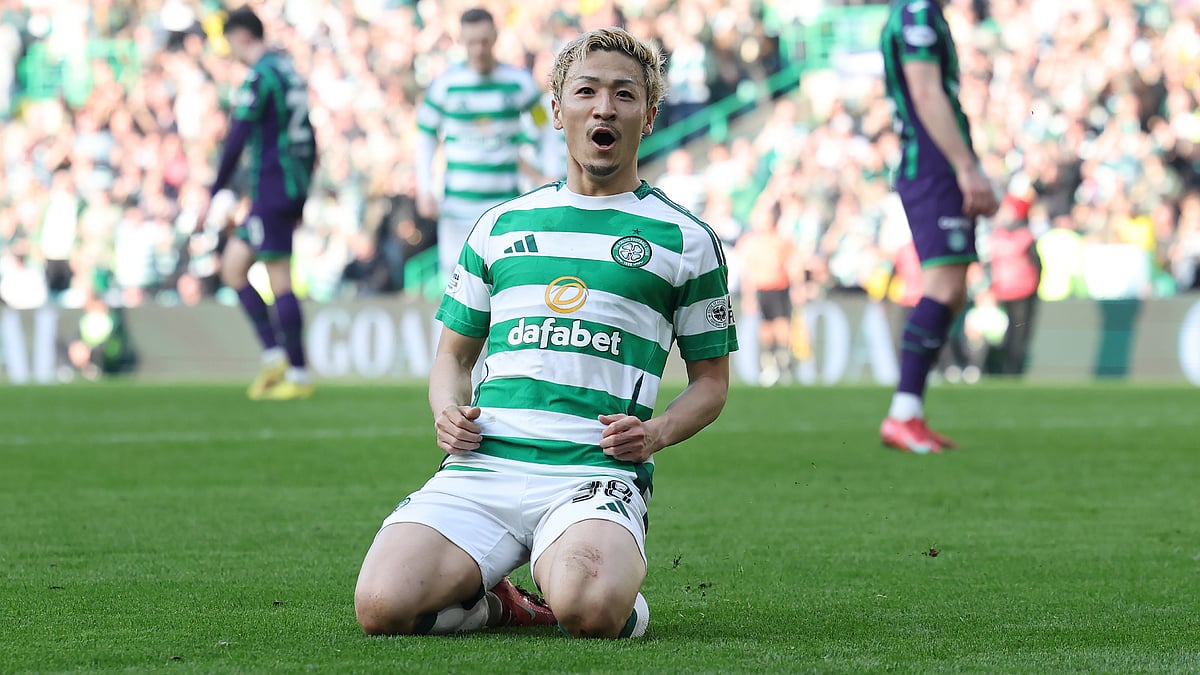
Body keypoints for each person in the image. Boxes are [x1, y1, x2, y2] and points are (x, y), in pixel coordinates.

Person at [354, 27, 737, 639]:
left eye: (624, 94)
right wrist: (445, 411)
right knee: (381, 607)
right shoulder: (500, 226)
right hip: (485, 464)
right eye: (586, 92)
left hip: (595, 475)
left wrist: (657, 432)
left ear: (650, 113)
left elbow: (712, 383)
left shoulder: (685, 240)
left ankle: (601, 595)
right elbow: (452, 358)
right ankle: (499, 605)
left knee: (588, 612)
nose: (604, 107)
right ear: (558, 112)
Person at [878, 0, 1000, 453]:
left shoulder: (918, 13)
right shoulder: (917, 12)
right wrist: (966, 168)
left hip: (934, 161)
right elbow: (926, 92)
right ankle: (902, 414)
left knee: (954, 289)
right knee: (945, 288)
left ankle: (909, 411)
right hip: (931, 164)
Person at [199, 7, 317, 400]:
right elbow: (310, 137)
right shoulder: (289, 72)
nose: (229, 49)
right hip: (284, 187)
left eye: (229, 41)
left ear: (242, 36)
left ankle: (298, 373)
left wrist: (215, 186)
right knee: (233, 267)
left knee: (279, 276)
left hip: (272, 187)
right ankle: (274, 355)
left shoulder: (262, 75)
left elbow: (238, 134)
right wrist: (302, 191)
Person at [415, 8, 552, 283]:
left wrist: (549, 171)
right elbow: (426, 135)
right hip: (457, 208)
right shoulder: (446, 86)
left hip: (505, 206)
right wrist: (424, 188)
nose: (478, 49)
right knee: (454, 287)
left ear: (495, 37)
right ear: (461, 41)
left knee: (503, 284)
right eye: (472, 42)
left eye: (484, 41)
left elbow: (544, 124)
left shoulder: (518, 84)